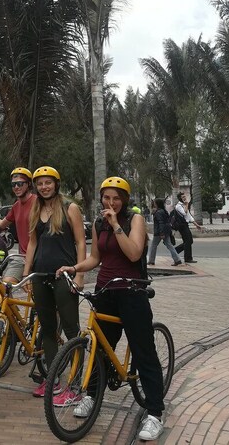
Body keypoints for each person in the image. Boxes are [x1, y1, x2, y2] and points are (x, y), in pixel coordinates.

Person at [56, 177, 165, 441]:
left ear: (124, 199)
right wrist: (74, 268)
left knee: (143, 351)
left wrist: (116, 225)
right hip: (105, 291)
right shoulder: (97, 223)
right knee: (99, 349)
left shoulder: (133, 220)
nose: (110, 203)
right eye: (106, 197)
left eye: (116, 198)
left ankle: (155, 413)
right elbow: (95, 258)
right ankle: (92, 395)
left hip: (132, 292)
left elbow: (134, 254)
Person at [22, 166, 86, 399]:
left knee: (71, 330)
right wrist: (27, 273)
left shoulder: (70, 208)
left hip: (65, 276)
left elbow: (80, 243)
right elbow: (32, 243)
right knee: (48, 330)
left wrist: (80, 275)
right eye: (39, 183)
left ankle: (77, 384)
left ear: (56, 184)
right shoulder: (36, 208)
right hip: (40, 276)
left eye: (48, 182)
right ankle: (54, 380)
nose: (44, 187)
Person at [0, 167, 36, 255]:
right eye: (13, 184)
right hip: (21, 257)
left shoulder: (37, 203)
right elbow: (2, 224)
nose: (16, 187)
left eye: (20, 183)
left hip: (37, 256)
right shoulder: (16, 206)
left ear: (28, 184)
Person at [147, 199, 182, 266]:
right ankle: (177, 259)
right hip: (166, 231)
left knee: (153, 246)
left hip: (159, 232)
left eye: (154, 203)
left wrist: (161, 232)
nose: (154, 204)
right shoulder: (163, 211)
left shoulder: (158, 212)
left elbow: (161, 223)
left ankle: (151, 260)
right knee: (169, 245)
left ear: (157, 204)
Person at [174, 192, 201, 264]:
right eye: (183, 197)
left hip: (185, 225)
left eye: (184, 197)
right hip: (181, 225)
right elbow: (184, 213)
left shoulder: (184, 205)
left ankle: (176, 251)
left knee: (188, 241)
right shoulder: (178, 206)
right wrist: (186, 205)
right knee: (188, 241)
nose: (184, 198)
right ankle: (187, 258)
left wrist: (196, 224)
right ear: (180, 198)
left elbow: (189, 216)